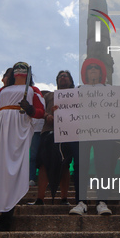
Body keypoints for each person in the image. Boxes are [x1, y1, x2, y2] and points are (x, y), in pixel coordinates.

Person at [0, 62, 44, 232]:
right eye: (16, 68)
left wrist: (30, 110)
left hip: (17, 128)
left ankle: (6, 218)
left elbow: (40, 111)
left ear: (28, 73)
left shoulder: (33, 91)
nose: (19, 70)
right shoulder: (2, 91)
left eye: (23, 68)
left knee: (10, 171)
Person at [69, 58, 120, 216]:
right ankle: (81, 202)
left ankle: (102, 201)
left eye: (96, 67)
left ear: (101, 73)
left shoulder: (110, 90)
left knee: (103, 165)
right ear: (85, 73)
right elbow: (69, 110)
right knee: (80, 166)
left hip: (104, 132)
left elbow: (118, 109)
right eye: (89, 68)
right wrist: (60, 110)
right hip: (82, 132)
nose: (92, 69)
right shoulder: (77, 90)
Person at [30, 70, 75, 206]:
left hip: (69, 132)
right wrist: (47, 115)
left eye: (65, 76)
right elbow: (40, 110)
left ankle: (64, 198)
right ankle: (40, 198)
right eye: (60, 76)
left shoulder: (77, 95)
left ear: (71, 80)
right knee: (43, 164)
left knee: (65, 164)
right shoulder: (49, 95)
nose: (62, 78)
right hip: (48, 131)